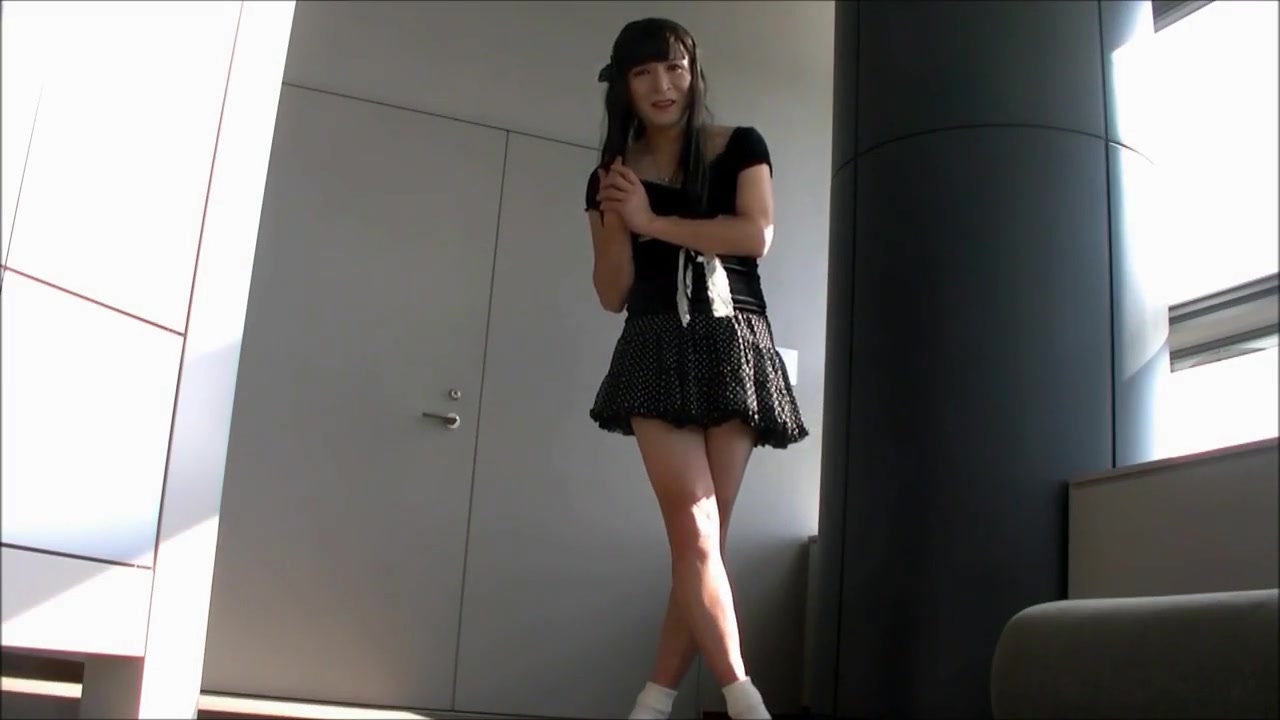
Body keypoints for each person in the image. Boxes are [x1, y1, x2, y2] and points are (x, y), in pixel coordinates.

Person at [584, 17, 809, 720]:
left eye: (675, 68)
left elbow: (754, 235)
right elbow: (612, 292)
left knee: (705, 540)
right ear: (624, 86)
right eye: (645, 72)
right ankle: (746, 700)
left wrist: (654, 223)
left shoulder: (740, 146)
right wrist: (618, 218)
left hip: (734, 339)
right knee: (695, 525)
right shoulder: (613, 178)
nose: (663, 84)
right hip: (655, 340)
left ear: (694, 73)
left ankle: (651, 704)